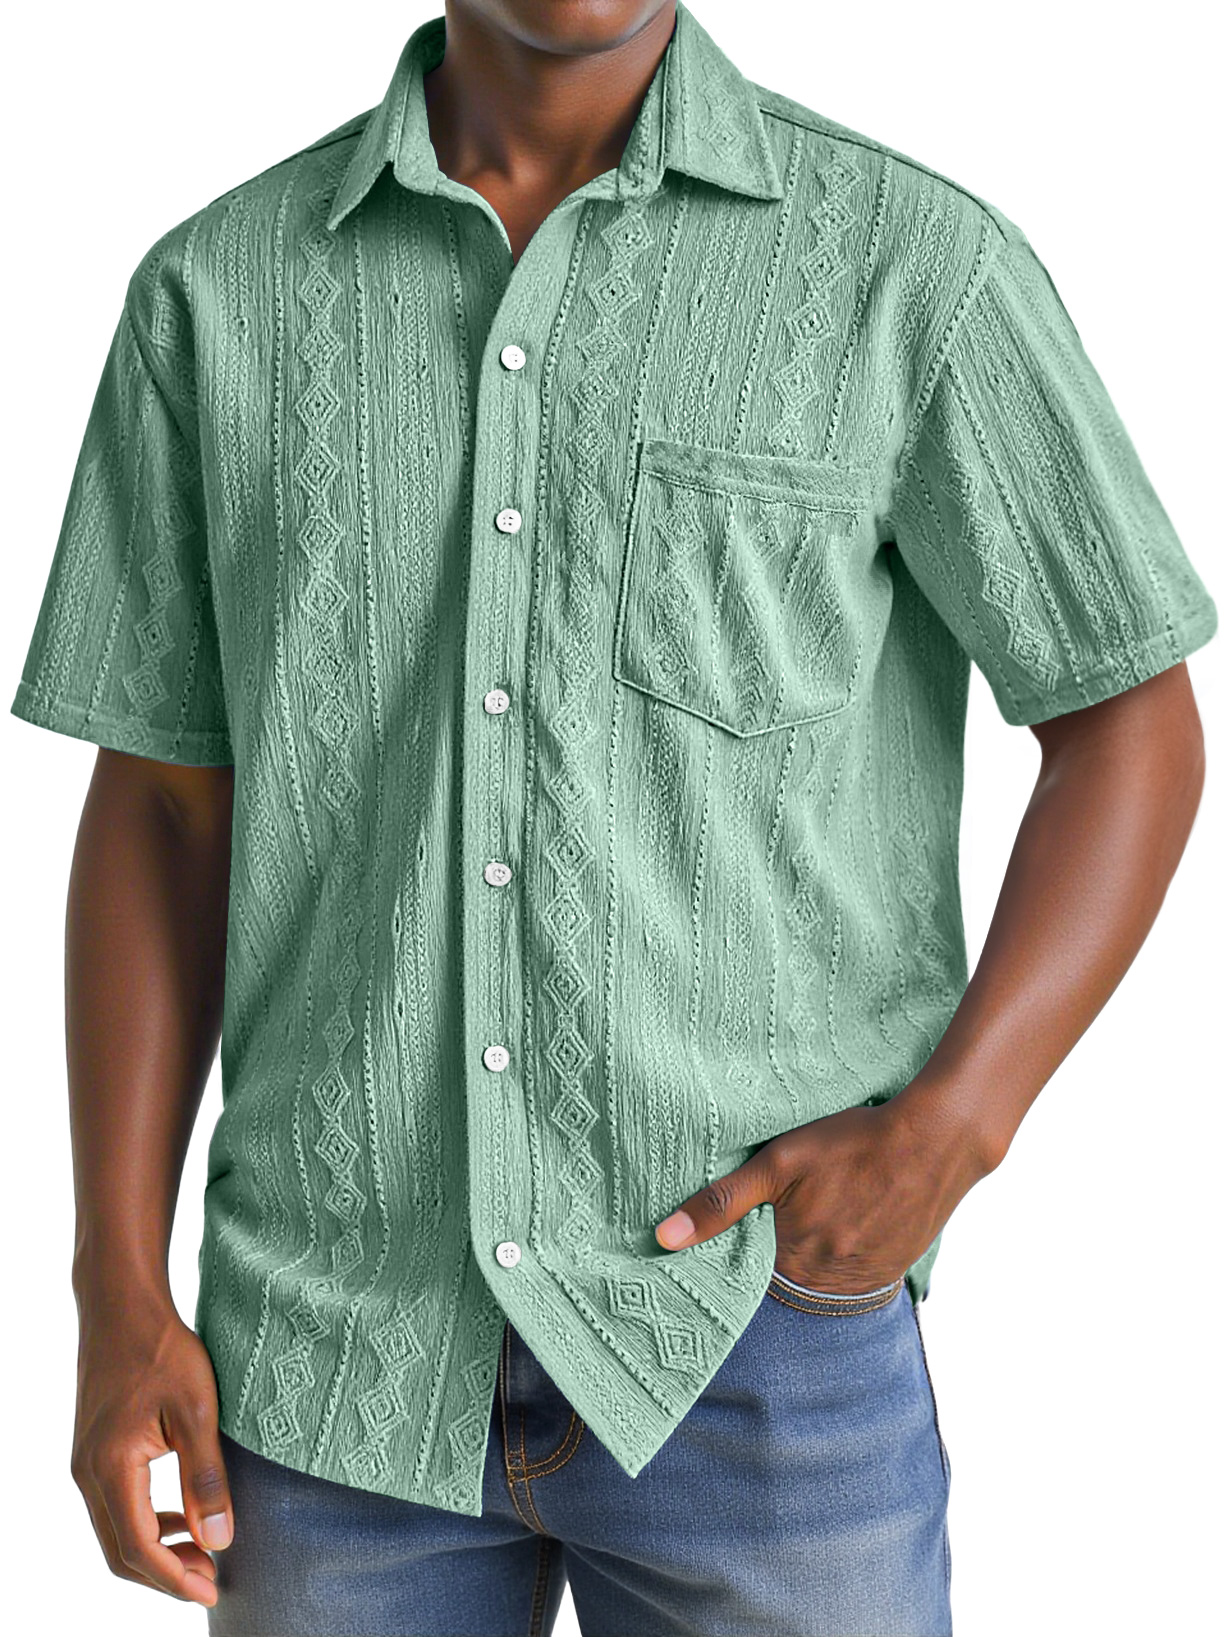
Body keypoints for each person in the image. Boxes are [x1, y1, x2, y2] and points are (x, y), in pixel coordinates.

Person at [11, 1, 1216, 1633]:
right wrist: (115, 1288)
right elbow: (163, 800)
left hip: (759, 1331)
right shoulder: (216, 296)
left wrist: (959, 1123)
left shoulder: (915, 270)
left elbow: (1126, 713)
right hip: (331, 1358)